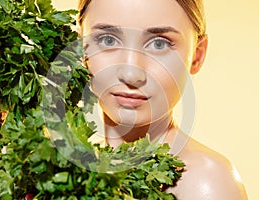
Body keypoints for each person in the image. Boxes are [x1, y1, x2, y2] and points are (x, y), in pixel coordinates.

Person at [77, 0, 248, 199]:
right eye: (108, 40)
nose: (131, 74)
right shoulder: (68, 167)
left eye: (159, 43)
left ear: (197, 56)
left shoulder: (206, 183)